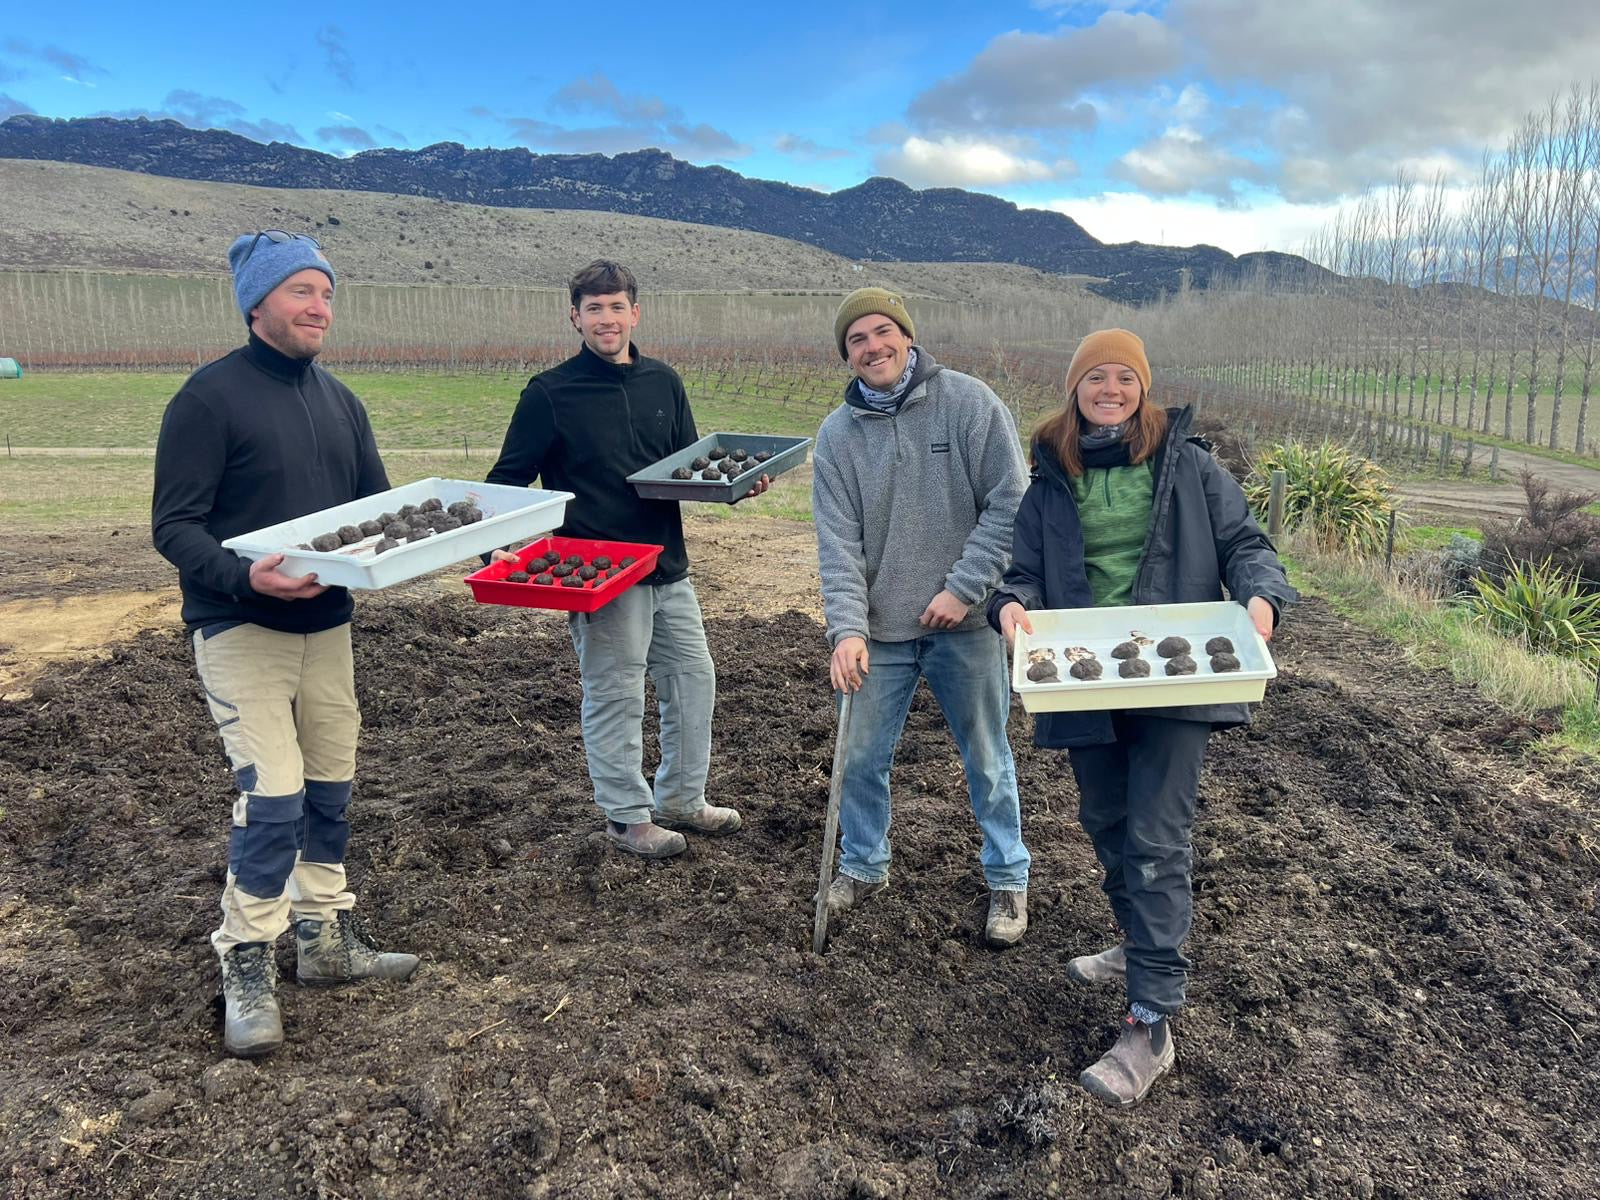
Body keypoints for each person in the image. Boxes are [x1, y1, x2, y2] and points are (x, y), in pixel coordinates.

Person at [988, 328, 1296, 1106]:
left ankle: (1151, 1023)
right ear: (1076, 388)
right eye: (1097, 377)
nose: (1112, 389)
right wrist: (1012, 605)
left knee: (1158, 839)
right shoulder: (1051, 477)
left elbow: (1245, 542)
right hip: (1084, 673)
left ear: (1144, 387)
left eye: (1126, 377)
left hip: (1176, 672)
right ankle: (1135, 943)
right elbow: (1020, 571)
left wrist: (1261, 594)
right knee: (1107, 822)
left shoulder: (1188, 466)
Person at [152, 231, 419, 1059]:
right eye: (302, 291)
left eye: (327, 293)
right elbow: (176, 527)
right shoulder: (208, 399)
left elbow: (381, 513)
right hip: (242, 630)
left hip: (326, 630)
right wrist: (245, 578)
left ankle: (326, 938)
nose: (319, 308)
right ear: (257, 303)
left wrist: (442, 541)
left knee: (330, 787)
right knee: (272, 800)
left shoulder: (340, 400)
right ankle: (247, 957)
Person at [485, 260, 765, 859]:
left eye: (616, 307)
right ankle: (626, 815)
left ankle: (682, 799)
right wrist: (495, 544)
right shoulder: (550, 394)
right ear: (575, 317)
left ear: (635, 312)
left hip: (668, 566)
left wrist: (740, 482)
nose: (606, 319)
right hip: (602, 574)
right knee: (616, 692)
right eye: (594, 308)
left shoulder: (664, 382)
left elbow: (690, 472)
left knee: (693, 679)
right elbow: (507, 480)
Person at [812, 286, 1032, 947]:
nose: (872, 346)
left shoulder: (969, 404)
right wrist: (847, 629)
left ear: (907, 336)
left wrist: (965, 590)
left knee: (987, 757)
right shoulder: (837, 437)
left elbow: (1010, 502)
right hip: (881, 632)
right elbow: (838, 545)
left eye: (883, 331)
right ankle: (864, 864)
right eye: (857, 339)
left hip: (962, 627)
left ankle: (1007, 876)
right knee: (859, 759)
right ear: (846, 354)